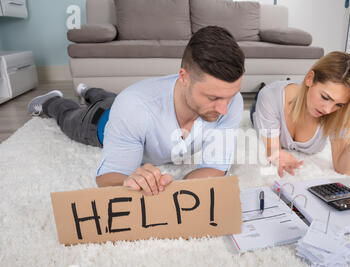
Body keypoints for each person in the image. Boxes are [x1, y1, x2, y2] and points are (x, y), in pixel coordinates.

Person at [27, 26, 245, 196]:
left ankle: (89, 90)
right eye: (213, 98)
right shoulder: (133, 108)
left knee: (108, 97)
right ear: (184, 77)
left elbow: (215, 168)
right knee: (70, 116)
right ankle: (52, 101)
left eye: (230, 95)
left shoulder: (231, 102)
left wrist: (175, 192)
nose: (224, 109)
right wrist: (126, 182)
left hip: (122, 103)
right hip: (100, 123)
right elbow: (107, 178)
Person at [250, 51, 350, 177]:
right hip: (265, 102)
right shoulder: (270, 98)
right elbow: (273, 151)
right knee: (259, 101)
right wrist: (278, 156)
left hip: (298, 94)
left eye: (338, 104)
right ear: (310, 78)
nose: (327, 109)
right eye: (325, 97)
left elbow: (344, 168)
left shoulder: (338, 113)